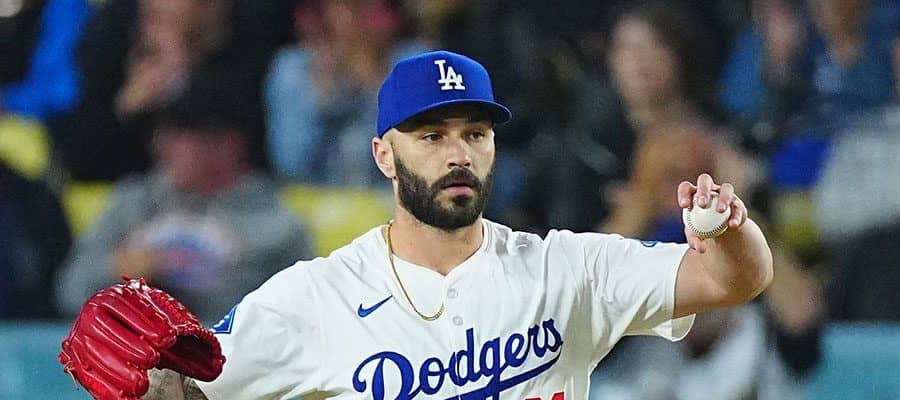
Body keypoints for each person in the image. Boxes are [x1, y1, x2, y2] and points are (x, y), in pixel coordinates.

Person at [57, 50, 773, 400]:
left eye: (474, 134)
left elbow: (732, 280)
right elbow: (189, 389)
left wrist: (730, 232)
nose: (458, 153)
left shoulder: (567, 268)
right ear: (384, 154)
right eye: (431, 136)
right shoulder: (315, 298)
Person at [54, 83, 314, 324]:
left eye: (180, 134)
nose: (161, 145)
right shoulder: (132, 204)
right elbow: (69, 291)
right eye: (162, 133)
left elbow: (298, 316)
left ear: (228, 144)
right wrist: (119, 271)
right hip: (129, 346)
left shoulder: (277, 226)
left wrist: (178, 287)